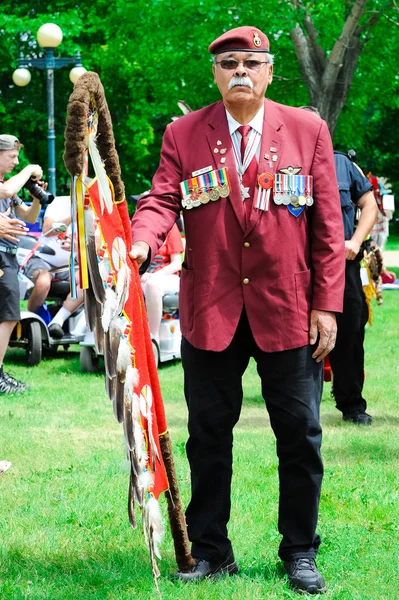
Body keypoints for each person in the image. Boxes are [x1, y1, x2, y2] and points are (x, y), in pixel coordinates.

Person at [130, 26, 345, 595]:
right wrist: (142, 239)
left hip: (288, 310)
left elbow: (328, 226)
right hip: (212, 309)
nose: (240, 71)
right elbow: (162, 198)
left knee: (300, 433)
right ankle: (210, 551)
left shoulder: (307, 129)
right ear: (215, 75)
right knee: (206, 435)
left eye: (252, 61)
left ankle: (299, 550)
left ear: (271, 71)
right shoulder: (184, 132)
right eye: (229, 63)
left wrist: (328, 305)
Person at [329, 153, 378, 424]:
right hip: (299, 267)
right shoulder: (281, 162)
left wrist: (357, 241)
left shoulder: (343, 164)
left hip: (342, 263)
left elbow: (369, 204)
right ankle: (302, 405)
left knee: (349, 334)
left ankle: (352, 406)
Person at [0, 134, 44, 393]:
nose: (16, 162)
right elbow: (6, 191)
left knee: (6, 315)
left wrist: (37, 197)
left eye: (18, 157)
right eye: (11, 157)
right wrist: (29, 170)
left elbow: (29, 215)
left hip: (8, 256)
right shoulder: (6, 186)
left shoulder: (7, 185)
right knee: (7, 315)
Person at [24, 195, 84, 339]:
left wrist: (79, 246)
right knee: (43, 282)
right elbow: (47, 229)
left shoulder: (95, 209)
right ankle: (30, 320)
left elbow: (99, 242)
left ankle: (58, 320)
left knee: (86, 281)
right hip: (44, 260)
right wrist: (74, 216)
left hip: (72, 265)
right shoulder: (59, 202)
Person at [139, 222, 183, 345]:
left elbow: (176, 263)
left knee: (152, 285)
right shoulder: (139, 226)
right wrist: (142, 275)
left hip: (167, 276)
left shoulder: (170, 228)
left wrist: (154, 276)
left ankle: (153, 339)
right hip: (143, 276)